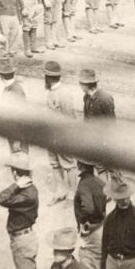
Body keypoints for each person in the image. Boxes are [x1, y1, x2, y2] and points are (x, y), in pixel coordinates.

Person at [0, 152, 39, 269]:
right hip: (21, 238)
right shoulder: (26, 189)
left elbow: (2, 198)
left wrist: (15, 185)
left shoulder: (27, 194)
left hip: (22, 240)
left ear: (15, 173)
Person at [44, 60, 76, 204]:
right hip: (51, 136)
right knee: (55, 164)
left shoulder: (63, 94)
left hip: (62, 137)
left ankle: (72, 194)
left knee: (69, 165)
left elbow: (70, 119)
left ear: (49, 77)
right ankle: (60, 192)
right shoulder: (51, 92)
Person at [74, 160, 107, 269]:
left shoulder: (83, 185)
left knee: (88, 262)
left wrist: (83, 222)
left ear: (80, 166)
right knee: (99, 260)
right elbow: (107, 196)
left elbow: (88, 207)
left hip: (91, 230)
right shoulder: (99, 181)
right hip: (102, 226)